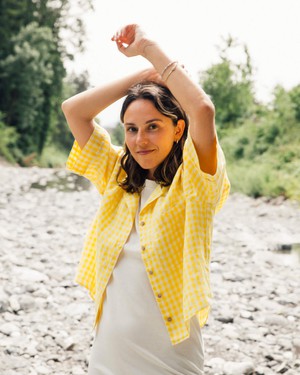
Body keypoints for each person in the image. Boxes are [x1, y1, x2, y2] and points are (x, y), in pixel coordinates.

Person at [62, 24, 230, 375]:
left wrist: (149, 49)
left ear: (178, 129)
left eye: (153, 126)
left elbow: (202, 109)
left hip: (170, 359)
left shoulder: (195, 185)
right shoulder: (117, 178)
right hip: (109, 355)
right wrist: (141, 76)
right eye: (132, 128)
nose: (140, 141)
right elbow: (74, 110)